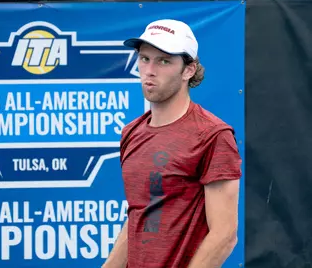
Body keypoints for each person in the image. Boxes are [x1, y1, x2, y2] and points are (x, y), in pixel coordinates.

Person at [102, 19, 242, 268]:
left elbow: (224, 236)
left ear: (188, 70)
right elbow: (139, 215)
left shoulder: (213, 135)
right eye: (145, 59)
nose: (150, 70)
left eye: (164, 61)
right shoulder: (131, 132)